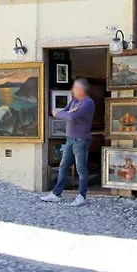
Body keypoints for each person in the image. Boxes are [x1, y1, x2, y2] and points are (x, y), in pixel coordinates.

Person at [41, 78, 95, 207]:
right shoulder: (74, 101)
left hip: (81, 140)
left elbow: (70, 116)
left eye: (75, 88)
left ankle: (81, 196)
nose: (72, 90)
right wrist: (66, 113)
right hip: (70, 139)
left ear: (81, 89)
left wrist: (62, 113)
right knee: (63, 166)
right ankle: (56, 194)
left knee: (81, 168)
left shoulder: (88, 102)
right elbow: (65, 112)